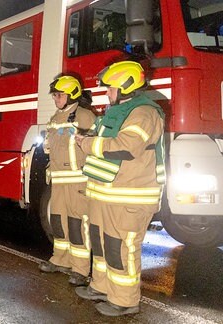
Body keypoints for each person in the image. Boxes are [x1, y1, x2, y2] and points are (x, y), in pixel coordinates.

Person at [75, 61, 165, 316]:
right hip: (107, 194)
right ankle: (102, 287)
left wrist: (89, 144)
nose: (107, 93)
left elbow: (126, 146)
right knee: (103, 245)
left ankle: (125, 300)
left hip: (129, 196)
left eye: (110, 88)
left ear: (125, 87)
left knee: (121, 248)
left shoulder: (144, 113)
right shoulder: (121, 110)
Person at [39, 76, 96, 287]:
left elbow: (93, 147)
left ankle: (80, 270)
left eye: (59, 95)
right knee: (58, 222)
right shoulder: (55, 118)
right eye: (54, 95)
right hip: (58, 181)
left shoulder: (85, 116)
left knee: (77, 224)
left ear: (72, 94)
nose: (55, 99)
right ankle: (60, 259)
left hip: (78, 180)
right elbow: (47, 145)